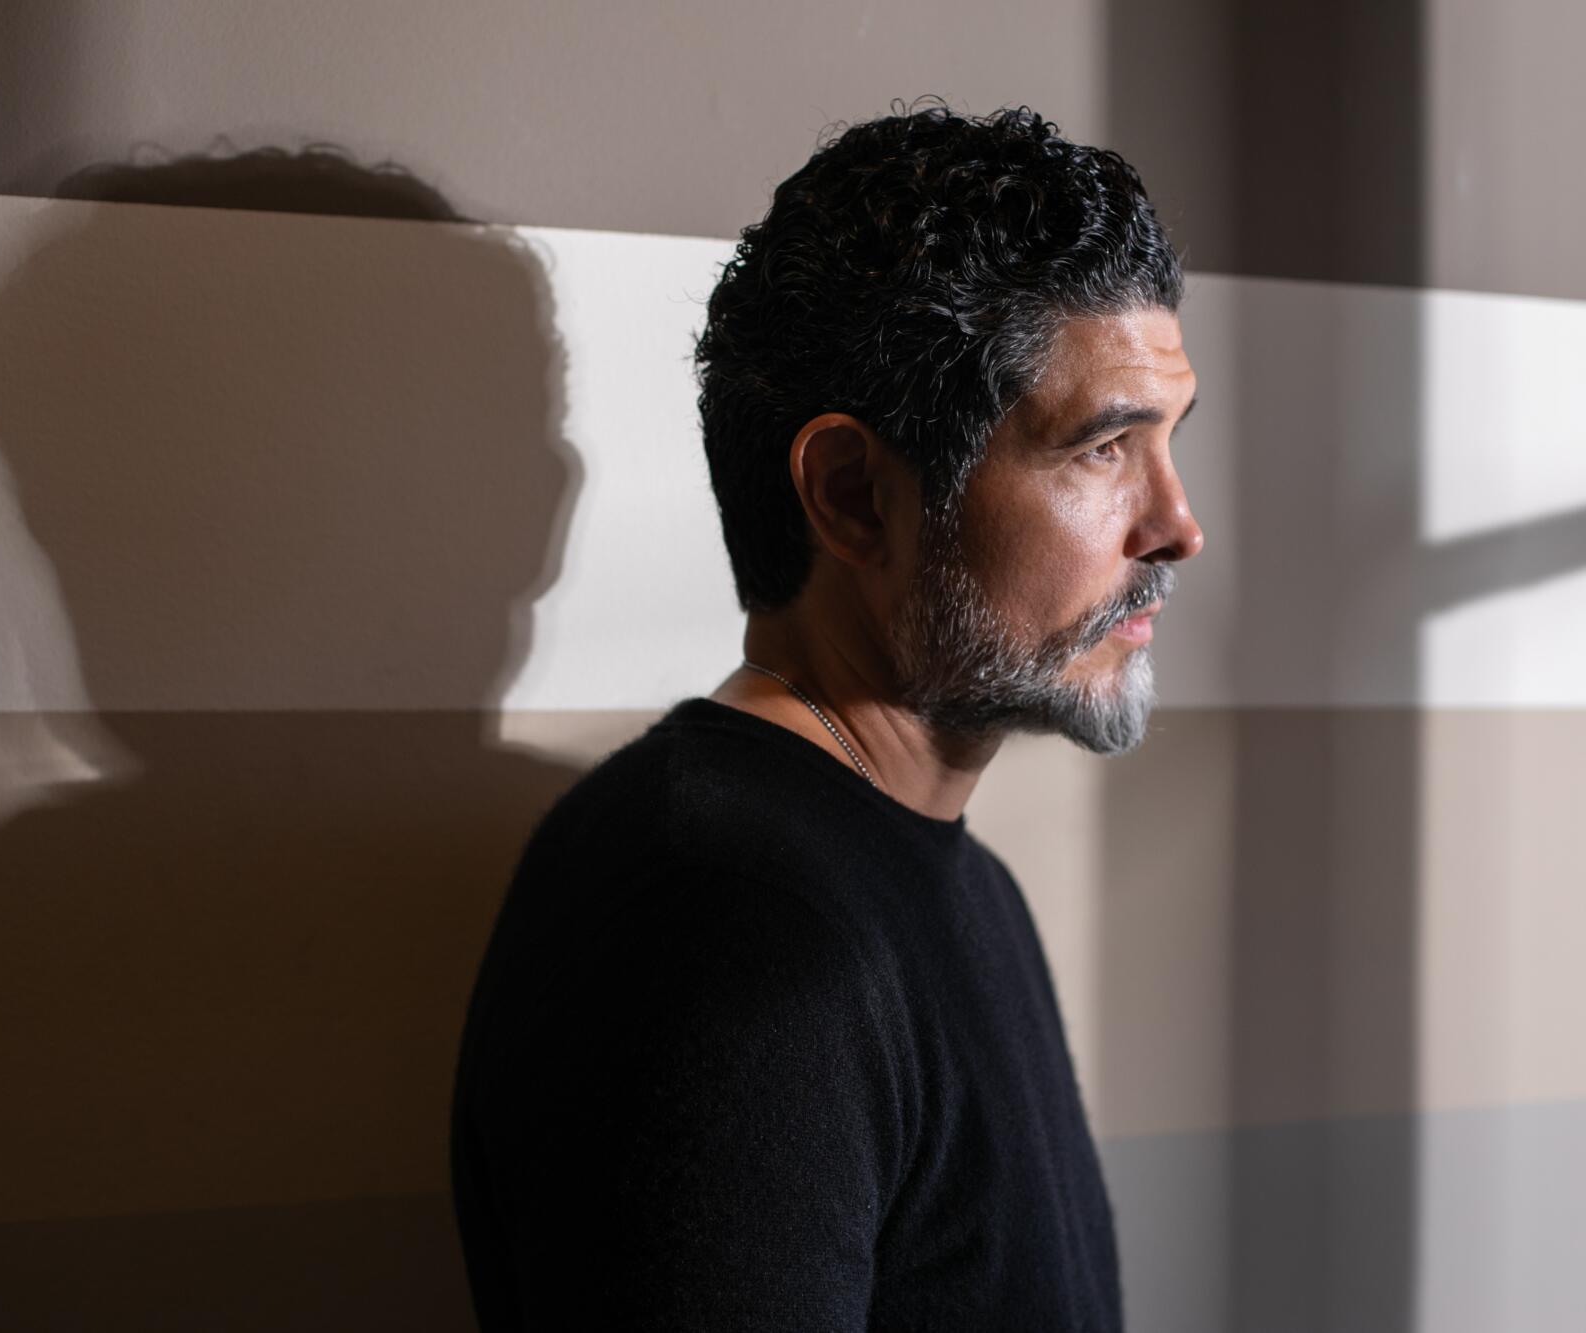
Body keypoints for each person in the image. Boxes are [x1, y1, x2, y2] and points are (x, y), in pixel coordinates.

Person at [450, 102, 1203, 1331]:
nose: (1177, 524)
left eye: (1167, 441)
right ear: (855, 497)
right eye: (1103, 449)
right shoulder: (724, 928)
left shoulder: (957, 889)